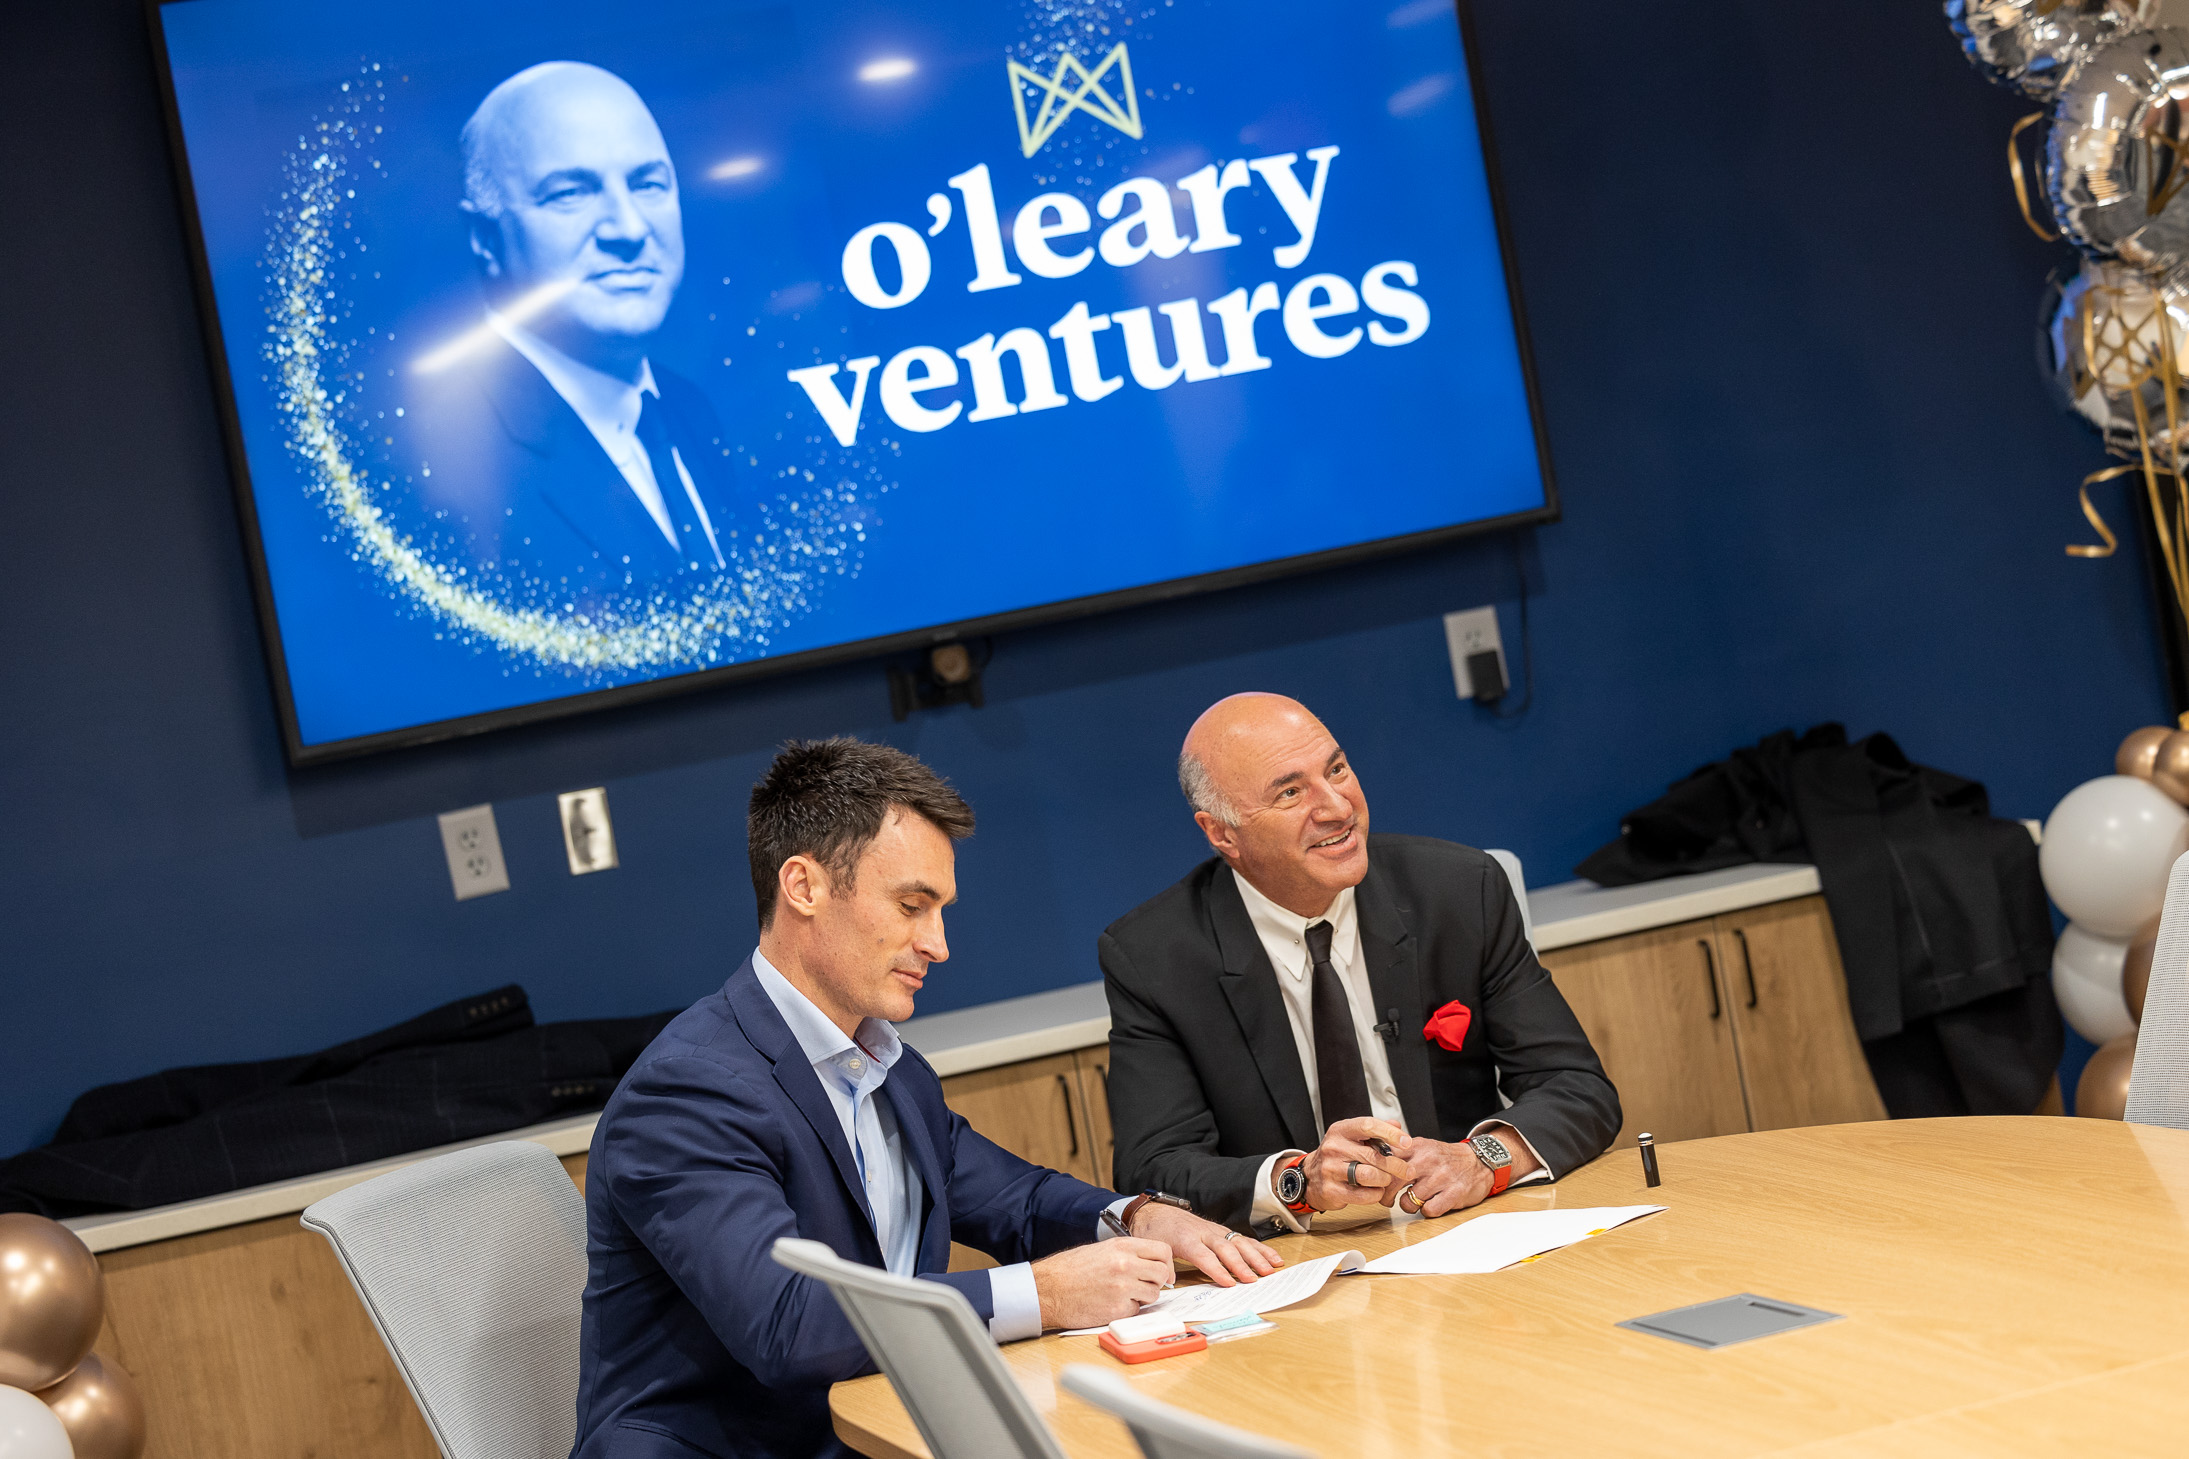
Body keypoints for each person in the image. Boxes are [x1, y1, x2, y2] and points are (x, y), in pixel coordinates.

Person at [572, 739, 1280, 1459]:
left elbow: (1019, 1199)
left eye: (939, 910)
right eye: (912, 905)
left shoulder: (890, 1066)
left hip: (894, 1425)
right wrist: (1042, 1293)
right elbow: (788, 1325)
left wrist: (1138, 1217)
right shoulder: (688, 1090)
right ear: (804, 886)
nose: (938, 944)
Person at [1100, 693, 1621, 1232]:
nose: (1338, 808)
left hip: (1465, 1225)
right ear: (1222, 834)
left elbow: (1576, 1087)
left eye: (1337, 769)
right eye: (1290, 792)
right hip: (1297, 1256)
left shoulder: (1460, 891)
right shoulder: (1154, 956)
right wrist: (1297, 1180)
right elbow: (1152, 1168)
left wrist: (1480, 1159)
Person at [404, 61, 739, 602]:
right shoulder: (437, 472)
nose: (628, 229)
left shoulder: (691, 409)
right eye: (569, 194)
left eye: (648, 183)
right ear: (485, 238)